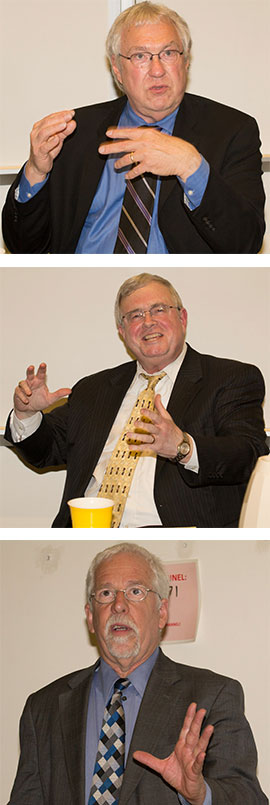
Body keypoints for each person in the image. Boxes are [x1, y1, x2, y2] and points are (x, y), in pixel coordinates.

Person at [7, 542, 268, 805]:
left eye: (135, 591)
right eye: (106, 593)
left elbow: (249, 798)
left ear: (162, 612)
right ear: (90, 616)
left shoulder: (213, 696)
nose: (119, 605)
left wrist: (200, 795)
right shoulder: (43, 707)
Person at [4, 272, 268, 528]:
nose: (148, 322)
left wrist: (183, 447)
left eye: (159, 309)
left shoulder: (231, 378)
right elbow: (45, 452)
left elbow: (247, 455)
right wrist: (27, 415)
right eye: (135, 316)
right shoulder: (93, 389)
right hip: (86, 530)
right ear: (122, 330)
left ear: (182, 318)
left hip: (176, 534)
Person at [2, 2, 265, 254]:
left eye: (169, 53)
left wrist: (191, 167)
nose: (158, 70)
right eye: (141, 56)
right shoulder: (73, 133)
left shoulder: (232, 131)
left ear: (186, 62)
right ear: (117, 69)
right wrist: (36, 171)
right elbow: (24, 246)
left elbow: (245, 243)